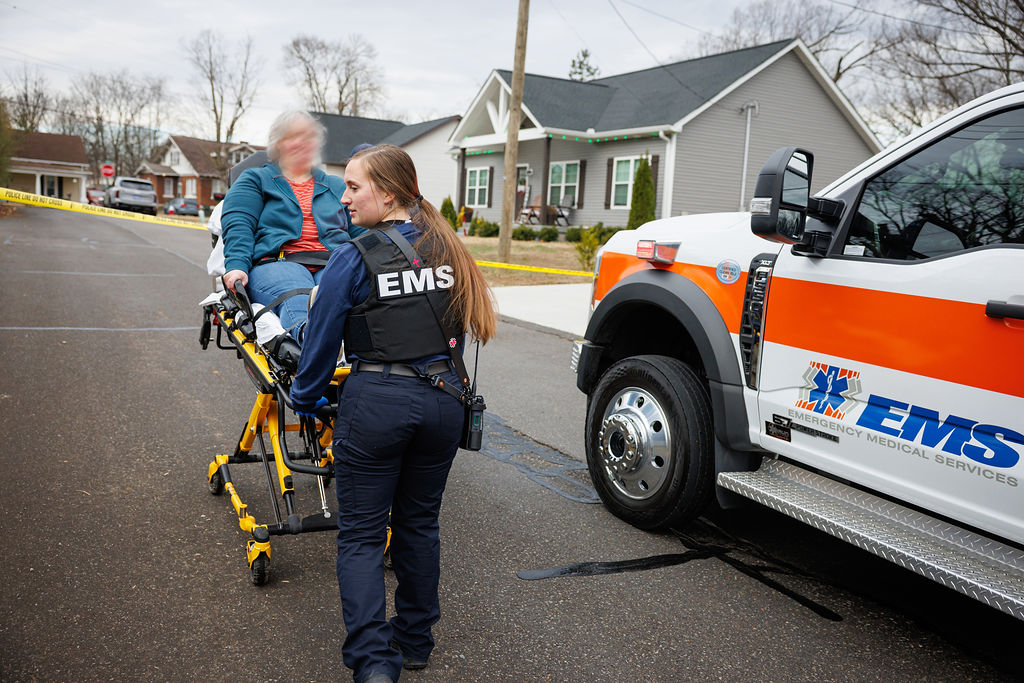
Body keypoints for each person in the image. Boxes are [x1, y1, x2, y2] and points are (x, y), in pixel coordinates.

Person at [290, 144, 496, 683]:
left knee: (361, 536)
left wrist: (304, 397)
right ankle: (415, 640)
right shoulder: (449, 249)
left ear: (386, 194)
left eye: (353, 186)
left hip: (378, 403)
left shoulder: (353, 257)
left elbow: (319, 346)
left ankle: (375, 664)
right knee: (418, 524)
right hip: (445, 403)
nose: (344, 197)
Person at [220, 110, 366, 354]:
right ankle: (311, 339)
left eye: (308, 136)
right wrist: (236, 264)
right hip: (279, 262)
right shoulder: (256, 180)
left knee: (348, 295)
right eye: (293, 136)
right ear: (278, 143)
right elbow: (239, 223)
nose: (302, 142)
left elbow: (362, 230)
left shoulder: (337, 185)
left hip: (334, 262)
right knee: (299, 297)